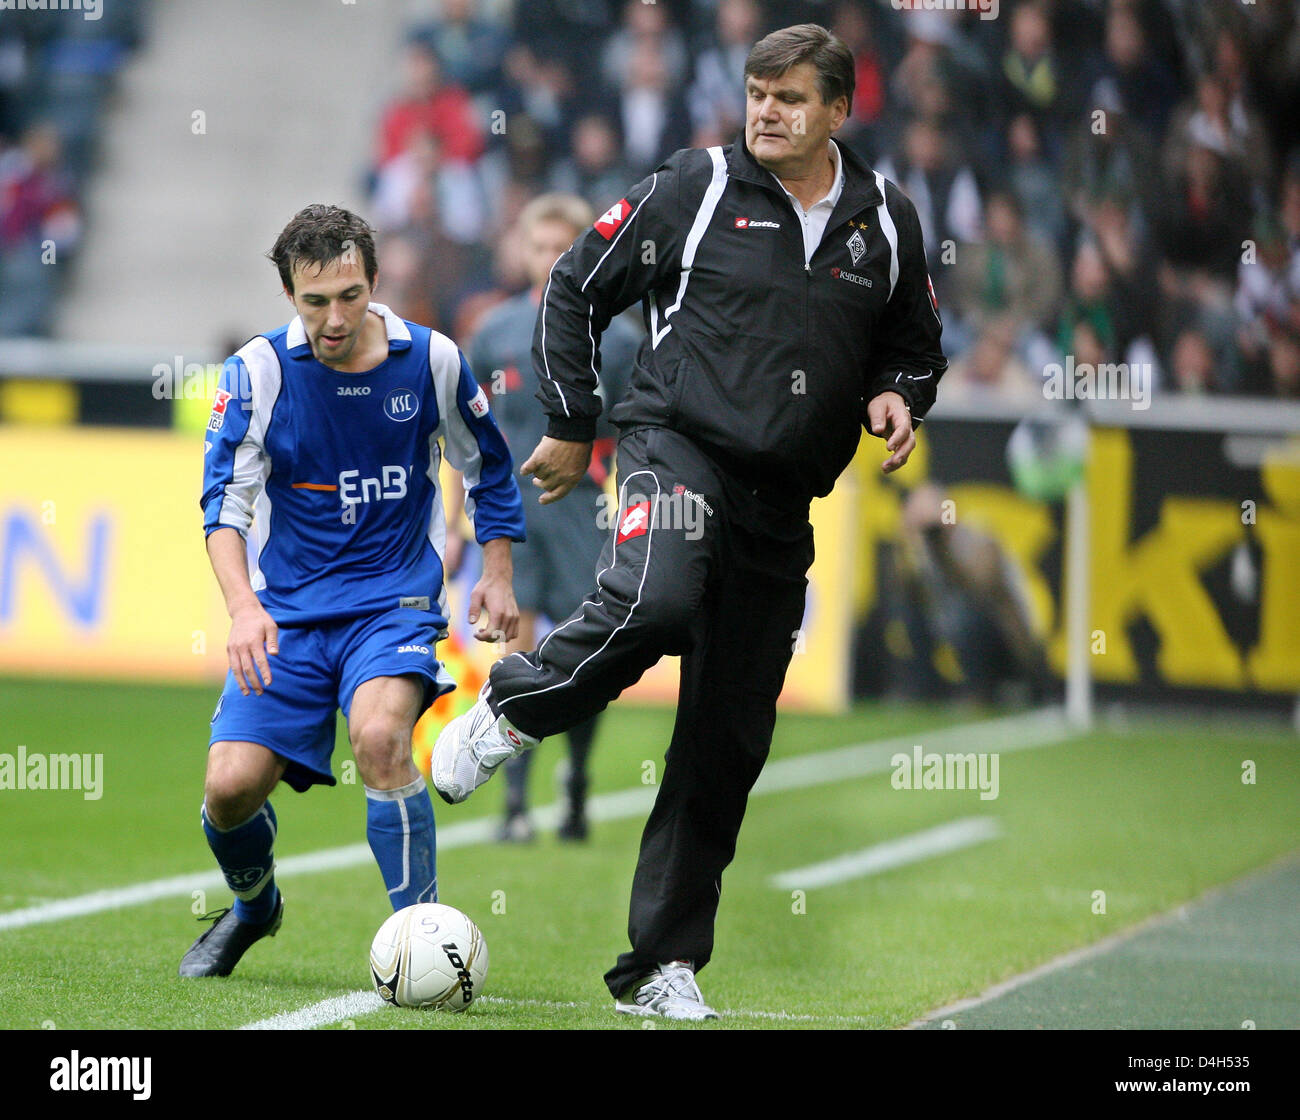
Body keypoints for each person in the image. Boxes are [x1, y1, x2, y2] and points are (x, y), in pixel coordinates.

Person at [432, 24, 946, 1020]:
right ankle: (508, 710)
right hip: (674, 449)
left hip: (782, 500)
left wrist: (898, 394)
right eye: (756, 92)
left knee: (726, 740)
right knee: (655, 600)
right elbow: (577, 283)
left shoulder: (886, 220)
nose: (765, 111)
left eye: (789, 98)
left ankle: (659, 964)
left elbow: (917, 343)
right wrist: (577, 424)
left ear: (837, 111)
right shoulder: (695, 186)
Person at [182, 204, 523, 978]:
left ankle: (425, 940)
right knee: (229, 790)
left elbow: (487, 469)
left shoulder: (431, 359)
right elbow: (223, 508)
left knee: (378, 740)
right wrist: (243, 606)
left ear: (374, 281)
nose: (335, 318)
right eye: (315, 301)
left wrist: (497, 575)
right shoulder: (259, 373)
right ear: (288, 293)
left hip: (391, 603)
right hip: (289, 616)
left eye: (350, 295)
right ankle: (255, 906)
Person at [451, 192, 638, 843]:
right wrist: (454, 524)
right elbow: (463, 435)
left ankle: (578, 785)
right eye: (540, 247)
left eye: (564, 247)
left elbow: (642, 439)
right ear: (522, 252)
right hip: (510, 516)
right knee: (516, 652)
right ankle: (515, 803)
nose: (551, 259)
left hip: (586, 513)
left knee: (587, 663)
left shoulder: (622, 340)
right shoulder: (494, 331)